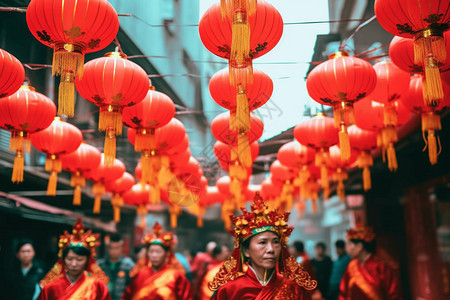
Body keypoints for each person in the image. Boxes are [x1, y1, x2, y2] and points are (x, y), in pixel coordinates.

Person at [209, 192, 317, 299]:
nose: (271, 249)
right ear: (246, 250)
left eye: (275, 242)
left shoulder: (294, 289)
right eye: (262, 242)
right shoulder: (229, 290)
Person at [37, 218, 111, 300]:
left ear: (87, 260)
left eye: (79, 260)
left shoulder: (97, 286)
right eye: (69, 259)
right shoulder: (51, 287)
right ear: (63, 259)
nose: (74, 264)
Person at [121, 222, 192, 300]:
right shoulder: (140, 275)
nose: (154, 255)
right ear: (147, 253)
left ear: (167, 254)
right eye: (151, 252)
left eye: (158, 252)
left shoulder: (176, 277)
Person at [339, 226, 402, 300]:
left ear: (359, 246)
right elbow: (343, 292)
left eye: (349, 244)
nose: (346, 249)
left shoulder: (380, 266)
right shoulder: (351, 266)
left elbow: (393, 294)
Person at [97, 234, 134, 300]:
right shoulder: (100, 265)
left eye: (117, 248)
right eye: (111, 248)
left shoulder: (128, 265)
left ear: (121, 248)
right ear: (108, 248)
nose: (114, 251)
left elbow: (133, 286)